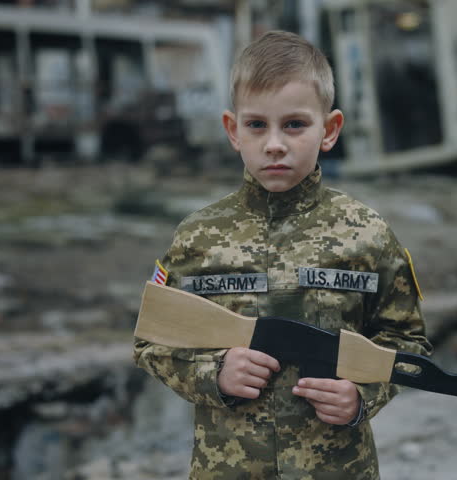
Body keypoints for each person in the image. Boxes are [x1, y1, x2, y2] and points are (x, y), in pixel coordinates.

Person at [134, 30, 432, 479]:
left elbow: (406, 342)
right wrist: (212, 373)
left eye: (294, 124)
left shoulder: (367, 235)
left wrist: (362, 396)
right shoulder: (197, 238)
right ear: (233, 131)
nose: (275, 143)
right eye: (257, 125)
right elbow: (150, 343)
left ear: (329, 130)